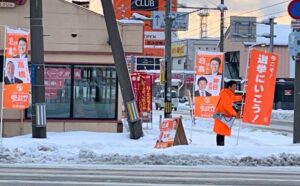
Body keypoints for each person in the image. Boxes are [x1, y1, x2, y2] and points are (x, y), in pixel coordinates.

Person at [213, 80, 242, 146]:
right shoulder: (225, 94)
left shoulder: (228, 94)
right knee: (220, 132)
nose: (235, 88)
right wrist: (235, 114)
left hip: (223, 116)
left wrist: (241, 97)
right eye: (234, 86)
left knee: (221, 132)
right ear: (229, 87)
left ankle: (220, 146)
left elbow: (233, 98)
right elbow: (227, 106)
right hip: (221, 116)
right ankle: (220, 146)